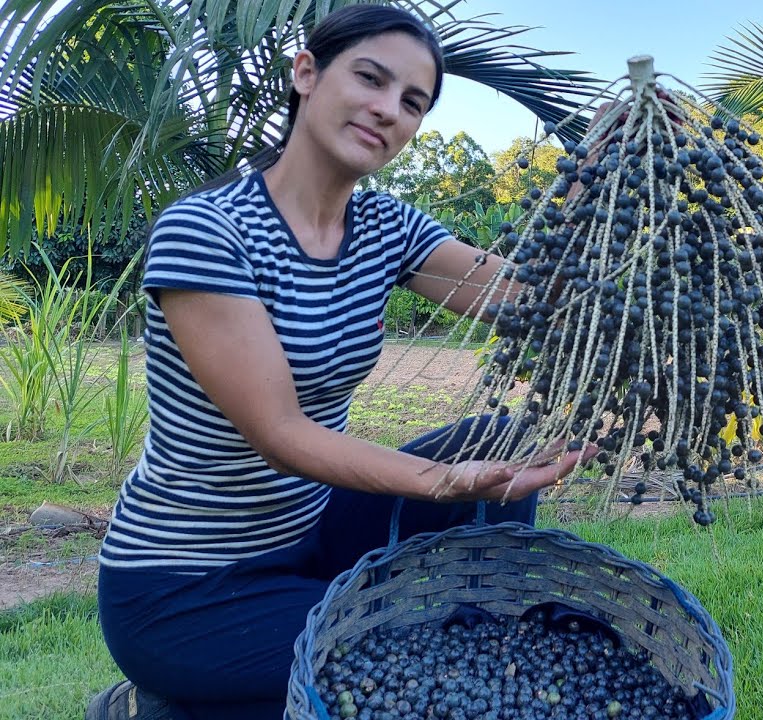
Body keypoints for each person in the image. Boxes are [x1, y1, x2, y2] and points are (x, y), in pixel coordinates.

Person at [85, 6, 596, 719]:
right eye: (370, 78)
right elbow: (280, 434)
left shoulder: (387, 227)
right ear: (307, 74)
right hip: (188, 585)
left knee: (501, 444)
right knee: (404, 674)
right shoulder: (207, 231)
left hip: (316, 531)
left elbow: (532, 298)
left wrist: (597, 173)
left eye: (412, 102)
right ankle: (159, 705)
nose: (388, 109)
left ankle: (451, 625)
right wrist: (443, 481)